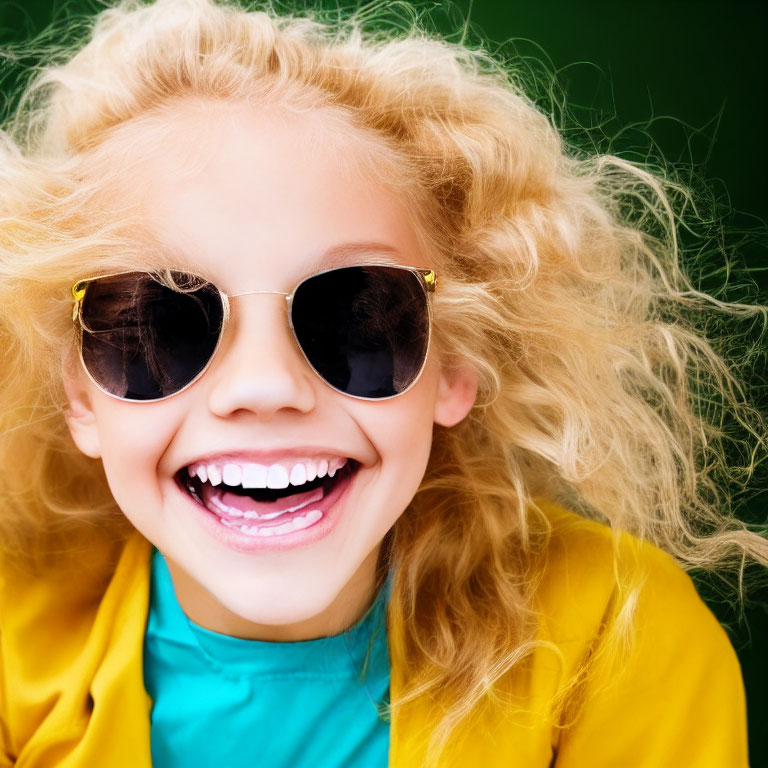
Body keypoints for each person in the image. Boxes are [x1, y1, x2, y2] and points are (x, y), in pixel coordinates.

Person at [0, 0, 765, 765]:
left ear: (456, 362)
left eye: (357, 312)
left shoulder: (618, 636)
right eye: (159, 322)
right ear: (79, 395)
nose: (265, 387)